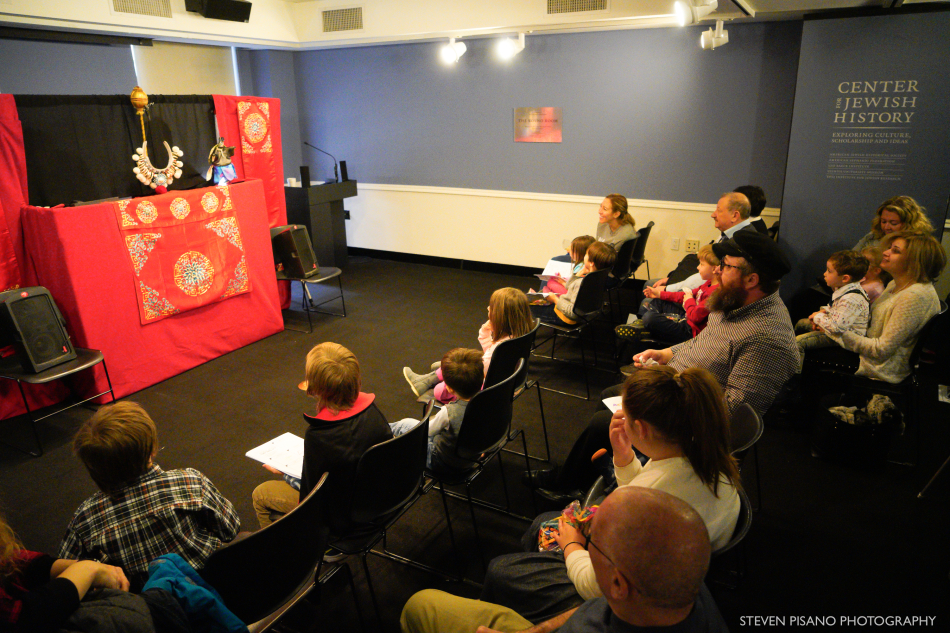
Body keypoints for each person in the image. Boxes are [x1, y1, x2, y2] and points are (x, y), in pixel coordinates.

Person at [530, 230, 798, 498]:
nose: (717, 270)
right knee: (609, 396)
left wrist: (670, 391)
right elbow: (702, 343)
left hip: (695, 423)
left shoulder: (767, 339)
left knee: (605, 421)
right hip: (678, 388)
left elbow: (730, 416)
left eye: (726, 266)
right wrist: (667, 353)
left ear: (751, 279)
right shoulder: (736, 301)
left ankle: (570, 484)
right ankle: (604, 474)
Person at [479, 366, 740, 622]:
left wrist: (571, 547)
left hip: (636, 601)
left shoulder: (649, 501)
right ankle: (537, 576)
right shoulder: (703, 454)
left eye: (623, 413)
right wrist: (624, 458)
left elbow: (595, 586)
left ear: (642, 429)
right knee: (542, 523)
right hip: (673, 576)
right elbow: (644, 491)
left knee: (500, 571)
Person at [400, 487, 729, 633]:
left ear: (618, 583)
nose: (587, 540)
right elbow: (598, 606)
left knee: (420, 605)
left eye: (592, 541)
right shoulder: (683, 586)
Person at [59, 401, 239, 589]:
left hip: (150, 603)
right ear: (152, 448)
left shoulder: (85, 520)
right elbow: (230, 528)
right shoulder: (189, 481)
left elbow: (66, 575)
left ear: (93, 468)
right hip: (214, 585)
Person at [252, 342, 392, 547]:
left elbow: (311, 497)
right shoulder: (372, 410)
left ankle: (295, 556)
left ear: (316, 388)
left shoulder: (320, 435)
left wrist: (286, 473)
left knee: (261, 494)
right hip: (380, 501)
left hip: (343, 520)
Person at [824, 231, 946, 384]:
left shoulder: (914, 296)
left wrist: (834, 330)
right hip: (866, 350)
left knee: (806, 349)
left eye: (895, 251)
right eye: (889, 248)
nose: (885, 252)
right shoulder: (896, 283)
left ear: (915, 261)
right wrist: (830, 317)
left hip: (878, 367)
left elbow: (881, 350)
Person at [1, 514, 131, 632]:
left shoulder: (85, 514)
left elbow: (17, 561)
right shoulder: (85, 515)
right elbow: (24, 620)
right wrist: (89, 569)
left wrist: (88, 567)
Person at [404, 287, 534, 403]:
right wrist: (485, 332)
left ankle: (429, 382)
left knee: (443, 383)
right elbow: (491, 356)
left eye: (491, 307)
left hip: (487, 391)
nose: (488, 309)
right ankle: (426, 380)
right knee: (446, 366)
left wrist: (457, 369)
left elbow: (479, 370)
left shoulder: (498, 349)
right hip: (507, 383)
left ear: (500, 317)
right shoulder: (518, 336)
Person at [638, 190, 756, 317]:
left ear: (735, 215)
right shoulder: (729, 234)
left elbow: (707, 277)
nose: (713, 215)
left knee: (648, 301)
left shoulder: (741, 241)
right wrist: (671, 281)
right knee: (650, 286)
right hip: (701, 291)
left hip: (706, 305)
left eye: (719, 210)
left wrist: (668, 289)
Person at [390, 348, 484, 473]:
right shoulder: (489, 401)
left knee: (404, 425)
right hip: (472, 458)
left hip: (442, 462)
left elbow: (427, 431)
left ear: (449, 388)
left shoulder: (449, 412)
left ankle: (379, 434)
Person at [631, 243, 720, 343]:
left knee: (649, 318)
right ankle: (642, 326)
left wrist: (689, 300)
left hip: (690, 332)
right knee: (658, 301)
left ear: (714, 269)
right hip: (686, 318)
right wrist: (659, 294)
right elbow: (685, 294)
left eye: (702, 264)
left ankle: (644, 327)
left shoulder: (715, 293)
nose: (698, 267)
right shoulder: (708, 283)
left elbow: (695, 317)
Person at [795, 250, 870, 368]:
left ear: (845, 278)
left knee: (798, 343)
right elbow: (837, 309)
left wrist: (817, 317)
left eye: (829, 271)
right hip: (837, 332)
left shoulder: (851, 298)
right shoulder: (844, 289)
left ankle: (794, 375)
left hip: (842, 339)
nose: (824, 274)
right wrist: (824, 311)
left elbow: (837, 327)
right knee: (801, 324)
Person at [531, 242, 616, 325]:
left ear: (591, 263)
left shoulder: (582, 283)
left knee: (526, 308)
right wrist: (580, 272)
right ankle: (539, 297)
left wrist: (555, 299)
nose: (584, 256)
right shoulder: (599, 276)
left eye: (586, 254)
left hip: (566, 317)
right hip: (588, 314)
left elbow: (573, 313)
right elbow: (572, 288)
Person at [852, 196, 934, 252]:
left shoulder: (917, 245)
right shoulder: (872, 236)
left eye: (894, 223)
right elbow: (852, 259)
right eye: (883, 221)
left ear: (909, 223)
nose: (886, 227)